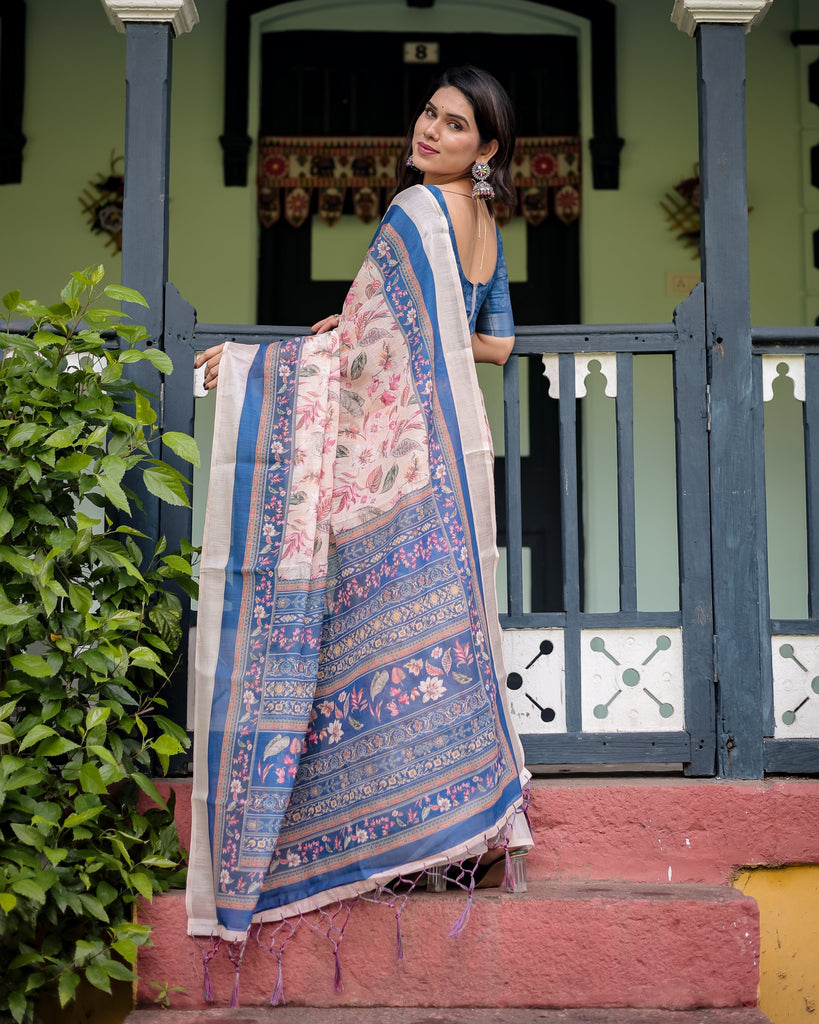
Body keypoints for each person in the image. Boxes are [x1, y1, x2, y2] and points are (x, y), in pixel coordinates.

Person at [186, 65, 533, 997]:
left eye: (453, 125)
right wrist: (368, 331)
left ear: (486, 148)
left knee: (366, 647)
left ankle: (389, 838)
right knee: (440, 641)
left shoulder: (418, 212)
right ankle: (462, 831)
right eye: (429, 113)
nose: (430, 131)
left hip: (389, 468)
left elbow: (376, 343)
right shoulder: (485, 224)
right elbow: (494, 343)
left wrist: (260, 362)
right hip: (447, 460)